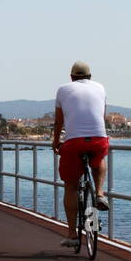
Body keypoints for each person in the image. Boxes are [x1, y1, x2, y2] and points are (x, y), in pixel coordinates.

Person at [51, 60, 110, 248]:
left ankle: (72, 234)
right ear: (90, 77)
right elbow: (102, 115)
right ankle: (99, 193)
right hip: (98, 139)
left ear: (71, 77)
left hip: (74, 142)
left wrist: (55, 142)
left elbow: (59, 122)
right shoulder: (100, 88)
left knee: (71, 187)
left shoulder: (63, 89)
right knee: (99, 158)